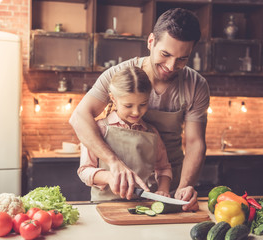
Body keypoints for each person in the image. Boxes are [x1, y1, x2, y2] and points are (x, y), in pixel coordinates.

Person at [70, 8, 210, 211]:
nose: (171, 66)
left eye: (182, 59)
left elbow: (196, 143)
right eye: (165, 54)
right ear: (151, 41)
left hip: (168, 184)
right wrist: (113, 163)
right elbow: (79, 117)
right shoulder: (119, 75)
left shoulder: (196, 85)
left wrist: (184, 186)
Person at [78, 66, 172, 201]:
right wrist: (109, 177)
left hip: (143, 207)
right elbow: (84, 171)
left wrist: (163, 189)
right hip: (104, 207)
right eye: (128, 106)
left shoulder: (151, 133)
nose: (136, 112)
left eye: (143, 104)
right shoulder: (98, 129)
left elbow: (163, 168)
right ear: (113, 99)